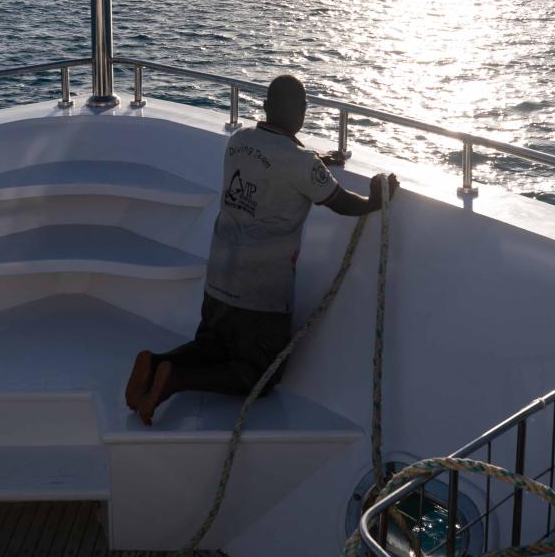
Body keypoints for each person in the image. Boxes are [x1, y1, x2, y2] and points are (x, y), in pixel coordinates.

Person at [124, 74, 398, 425]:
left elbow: (276, 165)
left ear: (266, 107)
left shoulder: (238, 142)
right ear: (301, 113)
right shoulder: (301, 163)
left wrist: (317, 162)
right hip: (260, 294)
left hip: (219, 278)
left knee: (212, 346)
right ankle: (175, 380)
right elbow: (342, 202)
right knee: (257, 374)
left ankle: (158, 362)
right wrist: (376, 199)